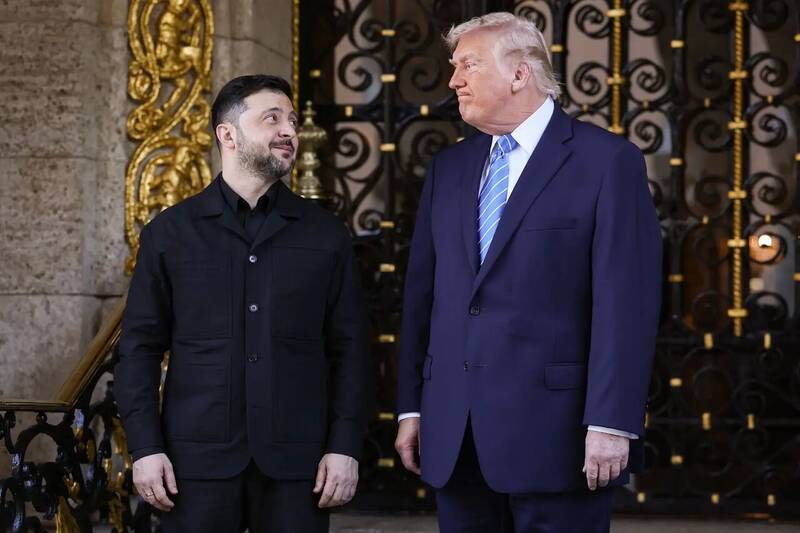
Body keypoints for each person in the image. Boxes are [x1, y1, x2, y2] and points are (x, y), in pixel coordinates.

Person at [394, 12, 662, 533]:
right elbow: (423, 297)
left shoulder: (607, 161)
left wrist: (611, 422)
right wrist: (411, 408)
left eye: (468, 65)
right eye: (454, 67)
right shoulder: (448, 169)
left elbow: (625, 305)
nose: (454, 80)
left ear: (520, 73)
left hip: (558, 439)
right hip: (455, 437)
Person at [115, 74, 370, 532]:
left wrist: (345, 445)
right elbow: (139, 349)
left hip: (300, 465)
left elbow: (350, 350)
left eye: (291, 120)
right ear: (227, 134)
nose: (289, 131)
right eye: (272, 119)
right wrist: (145, 447)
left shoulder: (326, 235)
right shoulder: (170, 234)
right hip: (193, 465)